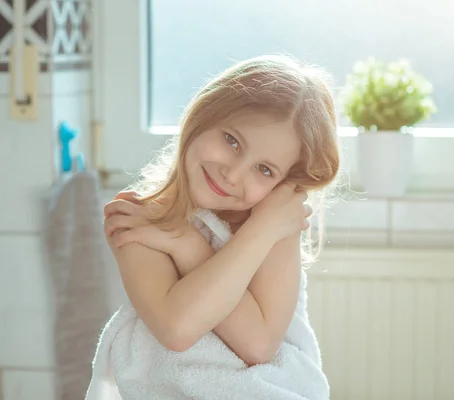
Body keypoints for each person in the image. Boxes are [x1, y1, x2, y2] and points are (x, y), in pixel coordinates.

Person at [85, 55, 340, 400]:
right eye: (232, 141)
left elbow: (259, 344)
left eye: (264, 169)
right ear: (203, 114)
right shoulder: (141, 217)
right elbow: (177, 327)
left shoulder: (273, 225)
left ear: (284, 183)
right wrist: (186, 239)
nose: (232, 175)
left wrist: (191, 245)